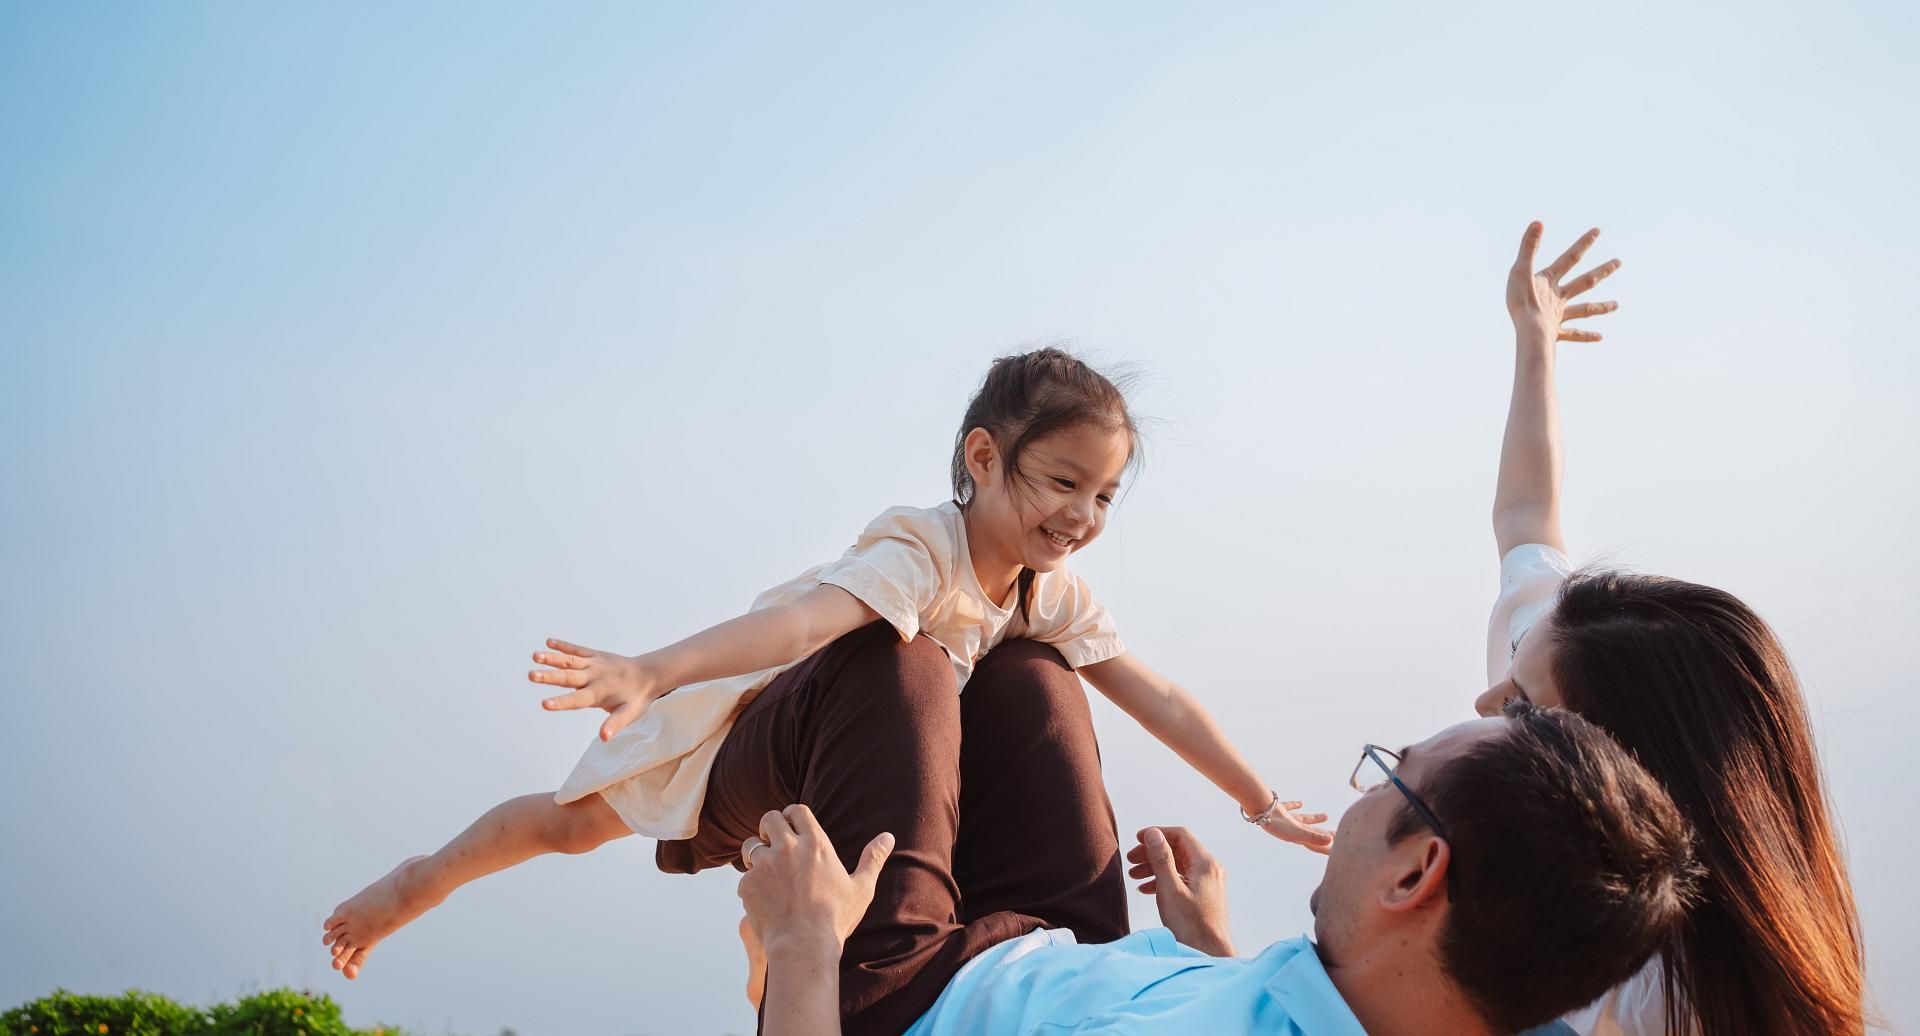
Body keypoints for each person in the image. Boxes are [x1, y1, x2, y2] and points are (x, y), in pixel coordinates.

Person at [321, 348, 1333, 1008]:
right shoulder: (920, 551)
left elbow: (1155, 694)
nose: (1083, 514)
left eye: (1106, 494)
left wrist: (1258, 801)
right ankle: (417, 881)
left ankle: (787, 958)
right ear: (983, 458)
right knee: (570, 821)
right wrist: (652, 666)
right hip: (755, 730)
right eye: (1062, 482)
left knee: (1009, 681)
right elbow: (800, 623)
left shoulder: (1043, 590)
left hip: (876, 767)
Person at [736, 702, 1700, 1036]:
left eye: (1388, 778)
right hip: (1094, 961)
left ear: (1415, 878)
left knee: (892, 672)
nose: (1361, 795)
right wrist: (1214, 953)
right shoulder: (1373, 996)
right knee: (1032, 671)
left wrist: (803, 945)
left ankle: (633, 801)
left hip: (909, 998)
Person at [1481, 222, 1866, 1034]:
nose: (1486, 705)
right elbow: (1526, 518)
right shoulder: (1573, 649)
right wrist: (1535, 343)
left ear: (1633, 780)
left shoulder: (1653, 991)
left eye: (1523, 707)